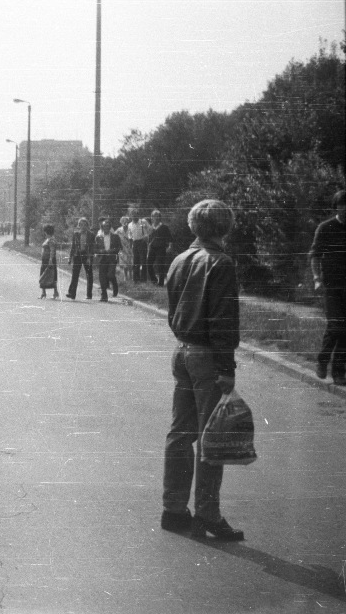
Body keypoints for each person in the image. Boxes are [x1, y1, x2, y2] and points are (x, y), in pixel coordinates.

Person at [161, 198, 244, 541]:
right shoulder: (220, 263)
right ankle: (208, 513)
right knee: (212, 437)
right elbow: (223, 318)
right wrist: (226, 366)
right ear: (224, 227)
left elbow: (172, 310)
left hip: (182, 350)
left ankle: (173, 508)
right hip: (207, 356)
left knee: (180, 433)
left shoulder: (180, 259)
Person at [308, 189, 346, 385]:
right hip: (332, 285)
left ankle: (339, 372)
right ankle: (322, 361)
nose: (345, 209)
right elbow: (315, 255)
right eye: (342, 205)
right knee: (336, 326)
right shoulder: (326, 227)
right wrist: (316, 277)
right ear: (336, 207)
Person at [66, 217, 94, 300]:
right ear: (79, 226)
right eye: (81, 225)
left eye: (85, 225)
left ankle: (89, 294)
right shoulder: (76, 234)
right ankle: (72, 293)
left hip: (86, 255)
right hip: (77, 255)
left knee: (89, 275)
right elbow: (73, 246)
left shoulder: (91, 235)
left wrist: (89, 257)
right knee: (75, 274)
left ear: (87, 226)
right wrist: (70, 257)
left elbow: (92, 247)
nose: (83, 226)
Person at [94, 216, 121, 301]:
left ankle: (114, 284)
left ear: (110, 227)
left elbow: (119, 247)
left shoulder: (115, 236)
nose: (106, 228)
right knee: (102, 277)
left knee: (110, 275)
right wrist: (101, 251)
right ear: (102, 227)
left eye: (108, 226)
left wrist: (112, 250)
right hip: (102, 258)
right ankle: (104, 295)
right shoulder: (98, 237)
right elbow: (95, 249)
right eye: (104, 226)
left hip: (112, 258)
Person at [147, 209, 174, 286]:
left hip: (161, 248)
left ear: (159, 217)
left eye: (156, 216)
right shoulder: (151, 228)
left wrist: (170, 246)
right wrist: (148, 247)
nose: (155, 218)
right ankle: (154, 280)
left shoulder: (164, 227)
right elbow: (149, 239)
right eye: (153, 216)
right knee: (148, 264)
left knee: (160, 265)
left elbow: (170, 238)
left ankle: (161, 283)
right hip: (152, 248)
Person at [127, 210, 151, 282]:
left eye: (135, 215)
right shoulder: (129, 225)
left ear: (138, 215)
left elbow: (150, 229)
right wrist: (130, 244)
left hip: (142, 242)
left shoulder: (143, 221)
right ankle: (136, 279)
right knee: (135, 261)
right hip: (135, 242)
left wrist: (146, 236)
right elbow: (129, 235)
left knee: (143, 261)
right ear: (131, 216)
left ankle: (143, 279)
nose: (134, 216)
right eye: (133, 215)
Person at [39, 224, 60, 300]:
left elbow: (52, 251)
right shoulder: (48, 239)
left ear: (46, 231)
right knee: (44, 275)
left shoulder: (51, 240)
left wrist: (50, 260)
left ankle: (54, 292)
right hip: (45, 260)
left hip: (49, 260)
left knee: (50, 275)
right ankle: (44, 292)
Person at [118, 215, 134, 282]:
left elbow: (132, 238)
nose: (125, 223)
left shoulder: (130, 229)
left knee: (130, 262)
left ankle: (131, 275)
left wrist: (131, 245)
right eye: (123, 221)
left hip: (130, 247)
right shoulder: (119, 230)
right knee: (124, 263)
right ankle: (125, 276)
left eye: (126, 221)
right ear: (121, 222)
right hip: (122, 248)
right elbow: (114, 235)